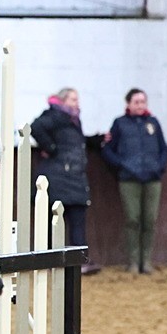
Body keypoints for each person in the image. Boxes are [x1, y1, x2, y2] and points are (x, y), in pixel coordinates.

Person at [29, 88, 102, 275]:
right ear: (63, 101)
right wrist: (50, 147)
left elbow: (68, 142)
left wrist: (94, 141)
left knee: (74, 222)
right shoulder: (57, 116)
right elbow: (36, 127)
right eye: (72, 99)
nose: (77, 102)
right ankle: (54, 260)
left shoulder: (70, 120)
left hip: (73, 179)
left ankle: (76, 260)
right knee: (57, 224)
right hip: (59, 178)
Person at [102, 88, 167, 274]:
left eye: (143, 102)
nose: (140, 105)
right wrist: (122, 166)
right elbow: (108, 149)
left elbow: (163, 148)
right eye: (136, 102)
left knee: (150, 220)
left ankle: (145, 261)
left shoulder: (153, 123)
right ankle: (132, 262)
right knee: (132, 219)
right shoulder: (120, 124)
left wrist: (159, 167)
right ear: (128, 104)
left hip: (153, 178)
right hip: (129, 179)